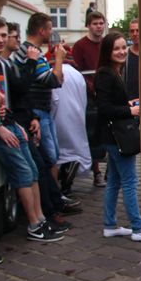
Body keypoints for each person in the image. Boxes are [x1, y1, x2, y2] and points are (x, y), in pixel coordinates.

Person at [0, 18, 64, 242]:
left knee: (34, 170)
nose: (1, 40)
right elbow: (46, 81)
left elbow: (16, 96)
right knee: (25, 173)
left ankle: (41, 219)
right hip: (1, 130)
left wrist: (17, 123)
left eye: (4, 35)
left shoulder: (2, 64)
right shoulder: (14, 60)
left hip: (12, 123)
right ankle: (34, 224)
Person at [94, 31, 141, 242]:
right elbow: (104, 108)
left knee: (114, 181)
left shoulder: (113, 71)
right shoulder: (106, 74)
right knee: (130, 182)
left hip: (113, 136)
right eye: (117, 48)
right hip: (116, 137)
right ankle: (138, 228)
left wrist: (128, 104)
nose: (122, 51)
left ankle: (110, 225)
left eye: (124, 47)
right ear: (108, 51)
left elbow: (111, 104)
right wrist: (130, 110)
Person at [13, 12, 66, 169]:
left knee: (54, 154)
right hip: (37, 110)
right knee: (50, 156)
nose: (51, 32)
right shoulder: (30, 51)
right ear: (41, 31)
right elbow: (53, 81)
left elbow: (57, 80)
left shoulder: (35, 51)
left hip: (43, 109)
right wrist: (59, 59)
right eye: (49, 29)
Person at [50, 46, 91, 192]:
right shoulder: (78, 75)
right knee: (74, 150)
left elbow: (53, 99)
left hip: (58, 116)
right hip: (76, 115)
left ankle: (61, 185)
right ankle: (67, 184)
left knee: (60, 154)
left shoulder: (53, 73)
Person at [73, 10, 106, 186]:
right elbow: (76, 72)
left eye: (101, 23)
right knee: (92, 134)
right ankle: (96, 172)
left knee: (110, 132)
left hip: (106, 93)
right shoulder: (80, 46)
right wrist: (91, 87)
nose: (99, 27)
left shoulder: (106, 43)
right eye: (95, 24)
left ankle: (111, 170)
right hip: (89, 98)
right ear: (88, 26)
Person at [123, 17, 139, 101]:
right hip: (129, 101)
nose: (135, 34)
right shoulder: (124, 54)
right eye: (132, 31)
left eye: (138, 30)